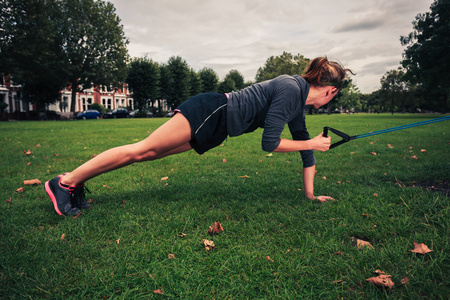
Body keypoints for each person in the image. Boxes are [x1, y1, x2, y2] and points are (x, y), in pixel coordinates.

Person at [45, 57, 354, 217]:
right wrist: (312, 142)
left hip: (218, 127)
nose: (331, 102)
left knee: (148, 154)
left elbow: (306, 152)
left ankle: (76, 184)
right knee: (142, 150)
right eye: (334, 98)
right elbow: (270, 143)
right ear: (331, 90)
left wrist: (311, 195)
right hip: (211, 110)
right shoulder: (290, 88)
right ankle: (65, 182)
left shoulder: (297, 102)